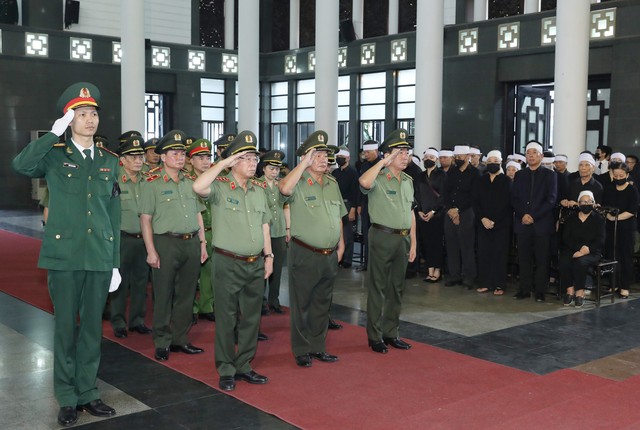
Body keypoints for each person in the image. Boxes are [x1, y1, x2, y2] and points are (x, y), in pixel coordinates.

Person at [12, 82, 121, 426]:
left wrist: (114, 260)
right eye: (81, 114)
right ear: (69, 119)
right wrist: (50, 135)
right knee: (64, 329)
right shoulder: (55, 155)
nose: (90, 120)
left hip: (99, 257)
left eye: (93, 114)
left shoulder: (108, 161)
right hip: (64, 256)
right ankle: (67, 396)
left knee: (91, 329)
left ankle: (88, 391)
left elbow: (114, 214)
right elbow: (21, 165)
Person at [193, 131, 273, 392]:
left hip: (255, 262)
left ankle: (244, 365)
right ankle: (226, 368)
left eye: (254, 158)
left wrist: (269, 256)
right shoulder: (219, 186)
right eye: (247, 158)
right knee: (226, 318)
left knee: (251, 318)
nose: (253, 163)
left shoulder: (259, 189)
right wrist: (222, 164)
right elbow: (198, 187)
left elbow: (264, 225)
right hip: (228, 262)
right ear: (233, 161)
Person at [279, 131, 346, 368]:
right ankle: (301, 349)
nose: (323, 158)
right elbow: (284, 190)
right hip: (305, 252)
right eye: (317, 154)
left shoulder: (331, 183)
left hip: (329, 253)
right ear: (306, 157)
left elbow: (338, 215)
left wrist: (342, 243)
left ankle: (318, 346)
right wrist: (302, 165)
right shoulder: (296, 181)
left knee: (322, 303)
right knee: (302, 303)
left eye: (325, 154)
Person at [139, 130, 207, 362]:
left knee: (187, 295)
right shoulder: (152, 183)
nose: (180, 157)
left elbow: (199, 215)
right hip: (165, 243)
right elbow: (145, 219)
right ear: (164, 156)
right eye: (174, 153)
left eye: (182, 153)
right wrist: (150, 250)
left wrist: (203, 243)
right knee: (164, 294)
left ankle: (181, 339)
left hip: (190, 243)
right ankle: (162, 341)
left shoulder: (192, 182)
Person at [359, 129, 417, 354]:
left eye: (407, 152)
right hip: (382, 237)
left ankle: (391, 332)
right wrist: (383, 163)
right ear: (387, 155)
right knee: (378, 288)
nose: (405, 156)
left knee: (397, 288)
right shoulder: (378, 178)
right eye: (399, 152)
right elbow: (364, 182)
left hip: (403, 238)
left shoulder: (408, 181)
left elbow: (410, 213)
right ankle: (374, 336)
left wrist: (413, 243)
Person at [110, 135, 152, 339]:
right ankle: (118, 321)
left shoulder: (148, 179)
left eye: (140, 156)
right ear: (122, 159)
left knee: (141, 281)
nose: (138, 160)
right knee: (120, 282)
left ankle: (137, 320)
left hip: (144, 239)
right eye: (132, 156)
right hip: (122, 238)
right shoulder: (113, 179)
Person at [511, 140, 557, 302]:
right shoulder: (519, 174)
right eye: (528, 153)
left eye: (534, 153)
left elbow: (551, 200)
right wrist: (523, 214)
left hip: (541, 224)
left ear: (541, 156)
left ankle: (540, 291)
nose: (530, 156)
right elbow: (514, 198)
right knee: (523, 259)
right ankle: (524, 289)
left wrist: (533, 216)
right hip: (522, 223)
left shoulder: (550, 175)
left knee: (542, 260)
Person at [473, 150, 512, 295]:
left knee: (499, 254)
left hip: (501, 224)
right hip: (483, 223)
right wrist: (483, 218)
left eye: (495, 161)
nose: (492, 163)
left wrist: (494, 220)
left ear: (500, 163)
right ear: (486, 163)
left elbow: (507, 203)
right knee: (484, 253)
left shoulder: (506, 181)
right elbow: (475, 201)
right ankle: (485, 283)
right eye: (490, 161)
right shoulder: (481, 180)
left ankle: (499, 285)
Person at [187, 138, 216, 323]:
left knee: (209, 273)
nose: (205, 161)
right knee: (191, 275)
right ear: (191, 160)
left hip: (213, 231)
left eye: (207, 157)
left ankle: (207, 305)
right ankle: (191, 309)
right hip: (194, 232)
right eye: (200, 157)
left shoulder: (216, 179)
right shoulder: (185, 179)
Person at [559, 191, 605, 307]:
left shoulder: (598, 219)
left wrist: (586, 250)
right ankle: (569, 290)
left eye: (589, 202)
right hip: (573, 248)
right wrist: (578, 249)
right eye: (583, 202)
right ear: (579, 203)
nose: (586, 204)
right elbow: (566, 237)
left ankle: (580, 292)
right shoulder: (571, 218)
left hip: (592, 250)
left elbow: (601, 239)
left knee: (580, 262)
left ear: (593, 203)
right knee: (564, 260)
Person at [442, 145, 479, 288]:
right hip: (450, 212)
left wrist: (458, 210)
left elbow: (474, 195)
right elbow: (446, 193)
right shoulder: (451, 172)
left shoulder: (475, 173)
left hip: (467, 212)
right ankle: (454, 275)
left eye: (460, 157)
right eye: (456, 157)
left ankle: (468, 277)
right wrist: (450, 209)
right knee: (451, 245)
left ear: (468, 157)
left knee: (466, 246)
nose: (458, 159)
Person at [259, 149, 290, 313]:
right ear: (263, 168)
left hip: (278, 231)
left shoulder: (282, 185)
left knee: (277, 268)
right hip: (263, 233)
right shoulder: (256, 184)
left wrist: (288, 229)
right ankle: (261, 301)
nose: (275, 171)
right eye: (271, 168)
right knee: (263, 268)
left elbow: (286, 206)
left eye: (277, 169)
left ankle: (274, 299)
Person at [602, 163, 639, 299]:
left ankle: (624, 287)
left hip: (626, 229)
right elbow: (604, 206)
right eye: (616, 176)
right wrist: (609, 216)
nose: (618, 178)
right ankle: (614, 284)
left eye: (621, 176)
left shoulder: (632, 190)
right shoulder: (609, 188)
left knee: (625, 257)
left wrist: (615, 217)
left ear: (627, 175)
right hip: (611, 228)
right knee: (612, 255)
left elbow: (632, 210)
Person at [417, 148, 446, 283]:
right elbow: (416, 195)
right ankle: (429, 270)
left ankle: (437, 270)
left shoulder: (442, 175)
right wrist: (419, 211)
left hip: (437, 215)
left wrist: (433, 211)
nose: (428, 159)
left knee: (436, 243)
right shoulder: (420, 176)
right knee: (426, 243)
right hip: (423, 214)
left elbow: (443, 196)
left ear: (436, 159)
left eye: (431, 157)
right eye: (426, 157)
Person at [332, 145, 359, 269]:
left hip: (348, 204)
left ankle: (347, 260)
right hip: (335, 204)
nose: (339, 159)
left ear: (347, 158)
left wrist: (353, 209)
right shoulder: (335, 172)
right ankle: (338, 258)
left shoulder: (353, 173)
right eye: (337, 157)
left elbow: (355, 192)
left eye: (341, 157)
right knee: (336, 232)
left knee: (347, 234)